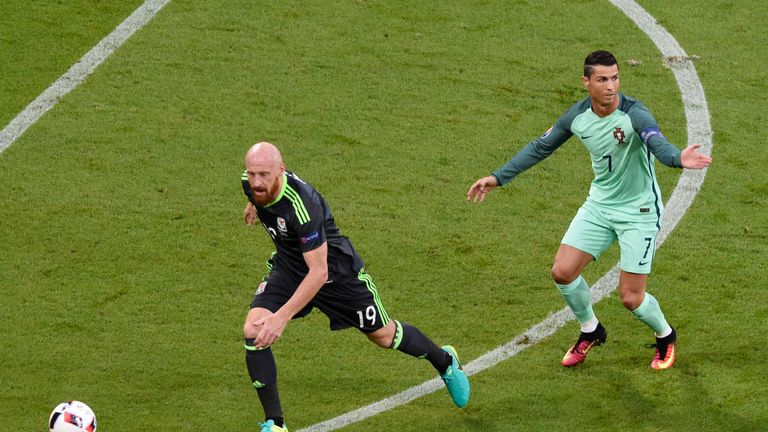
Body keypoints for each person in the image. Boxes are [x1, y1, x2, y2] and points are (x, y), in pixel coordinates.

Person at [467, 50, 712, 370]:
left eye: (615, 78)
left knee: (631, 297)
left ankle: (665, 336)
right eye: (602, 79)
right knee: (562, 271)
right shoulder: (577, 117)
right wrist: (498, 177)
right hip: (599, 206)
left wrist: (677, 158)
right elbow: (541, 146)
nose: (611, 86)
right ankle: (590, 329)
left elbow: (656, 142)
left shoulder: (634, 114)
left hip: (638, 212)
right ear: (586, 82)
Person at [240, 142, 470, 432]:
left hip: (335, 275)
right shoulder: (250, 182)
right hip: (289, 269)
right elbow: (253, 188)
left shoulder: (302, 205)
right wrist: (253, 204)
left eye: (264, 175)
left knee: (384, 336)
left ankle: (445, 361)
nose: (256, 182)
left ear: (281, 170)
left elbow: (318, 273)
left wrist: (281, 318)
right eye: (252, 174)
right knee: (253, 330)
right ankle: (276, 424)